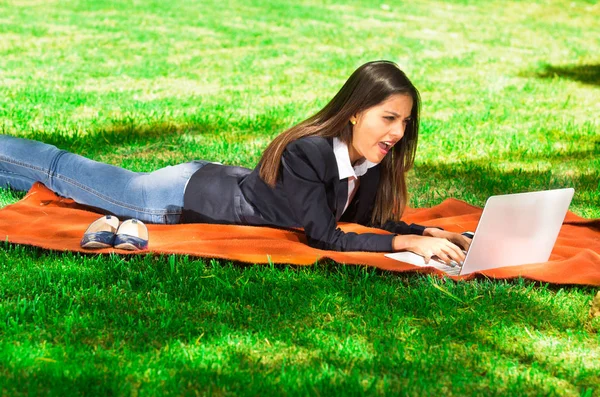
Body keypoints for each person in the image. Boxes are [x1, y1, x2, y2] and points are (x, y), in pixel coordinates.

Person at [0, 60, 470, 263]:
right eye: (389, 118)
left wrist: (426, 234)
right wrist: (402, 248)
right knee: (59, 170)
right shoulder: (307, 153)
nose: (398, 132)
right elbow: (325, 236)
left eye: (405, 122)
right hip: (171, 198)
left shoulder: (364, 160)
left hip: (208, 177)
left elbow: (366, 219)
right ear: (352, 114)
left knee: (60, 172)